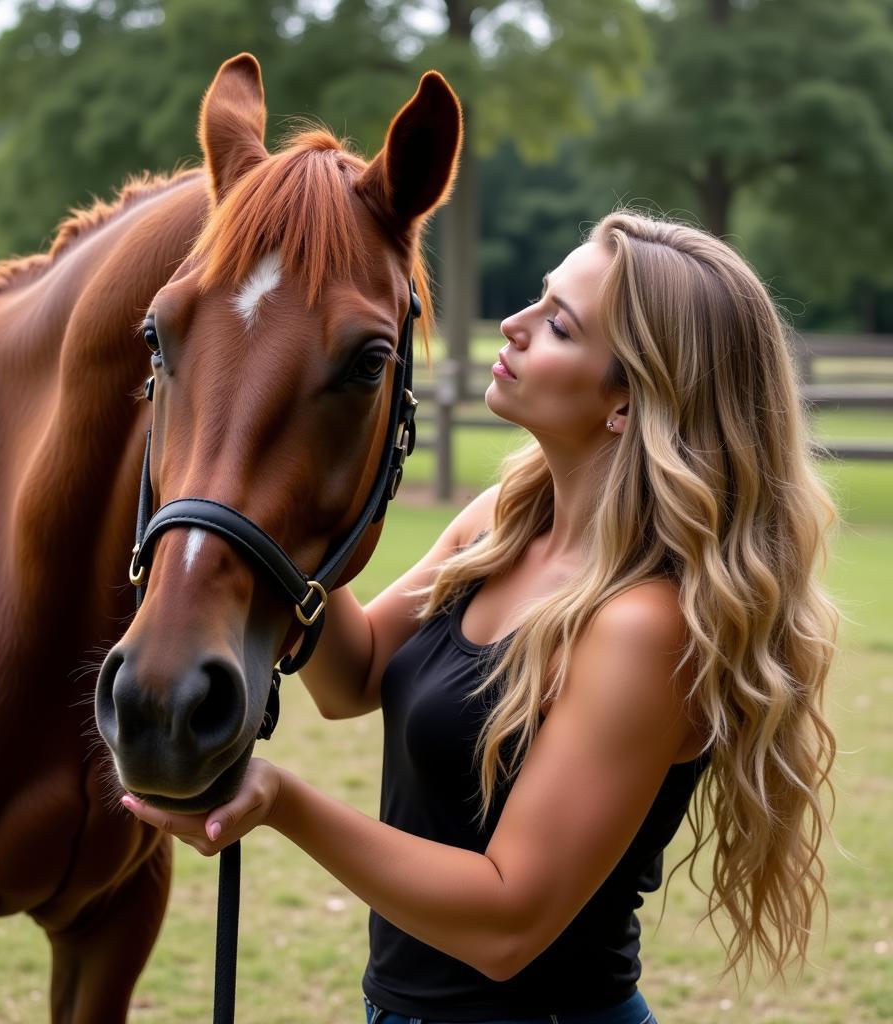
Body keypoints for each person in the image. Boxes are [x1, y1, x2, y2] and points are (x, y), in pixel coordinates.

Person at [122, 211, 839, 1023]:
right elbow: (352, 673)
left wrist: (281, 802)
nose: (515, 324)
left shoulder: (646, 626)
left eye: (559, 325)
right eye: (539, 299)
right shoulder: (504, 521)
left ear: (630, 401)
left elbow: (509, 920)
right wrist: (258, 510)